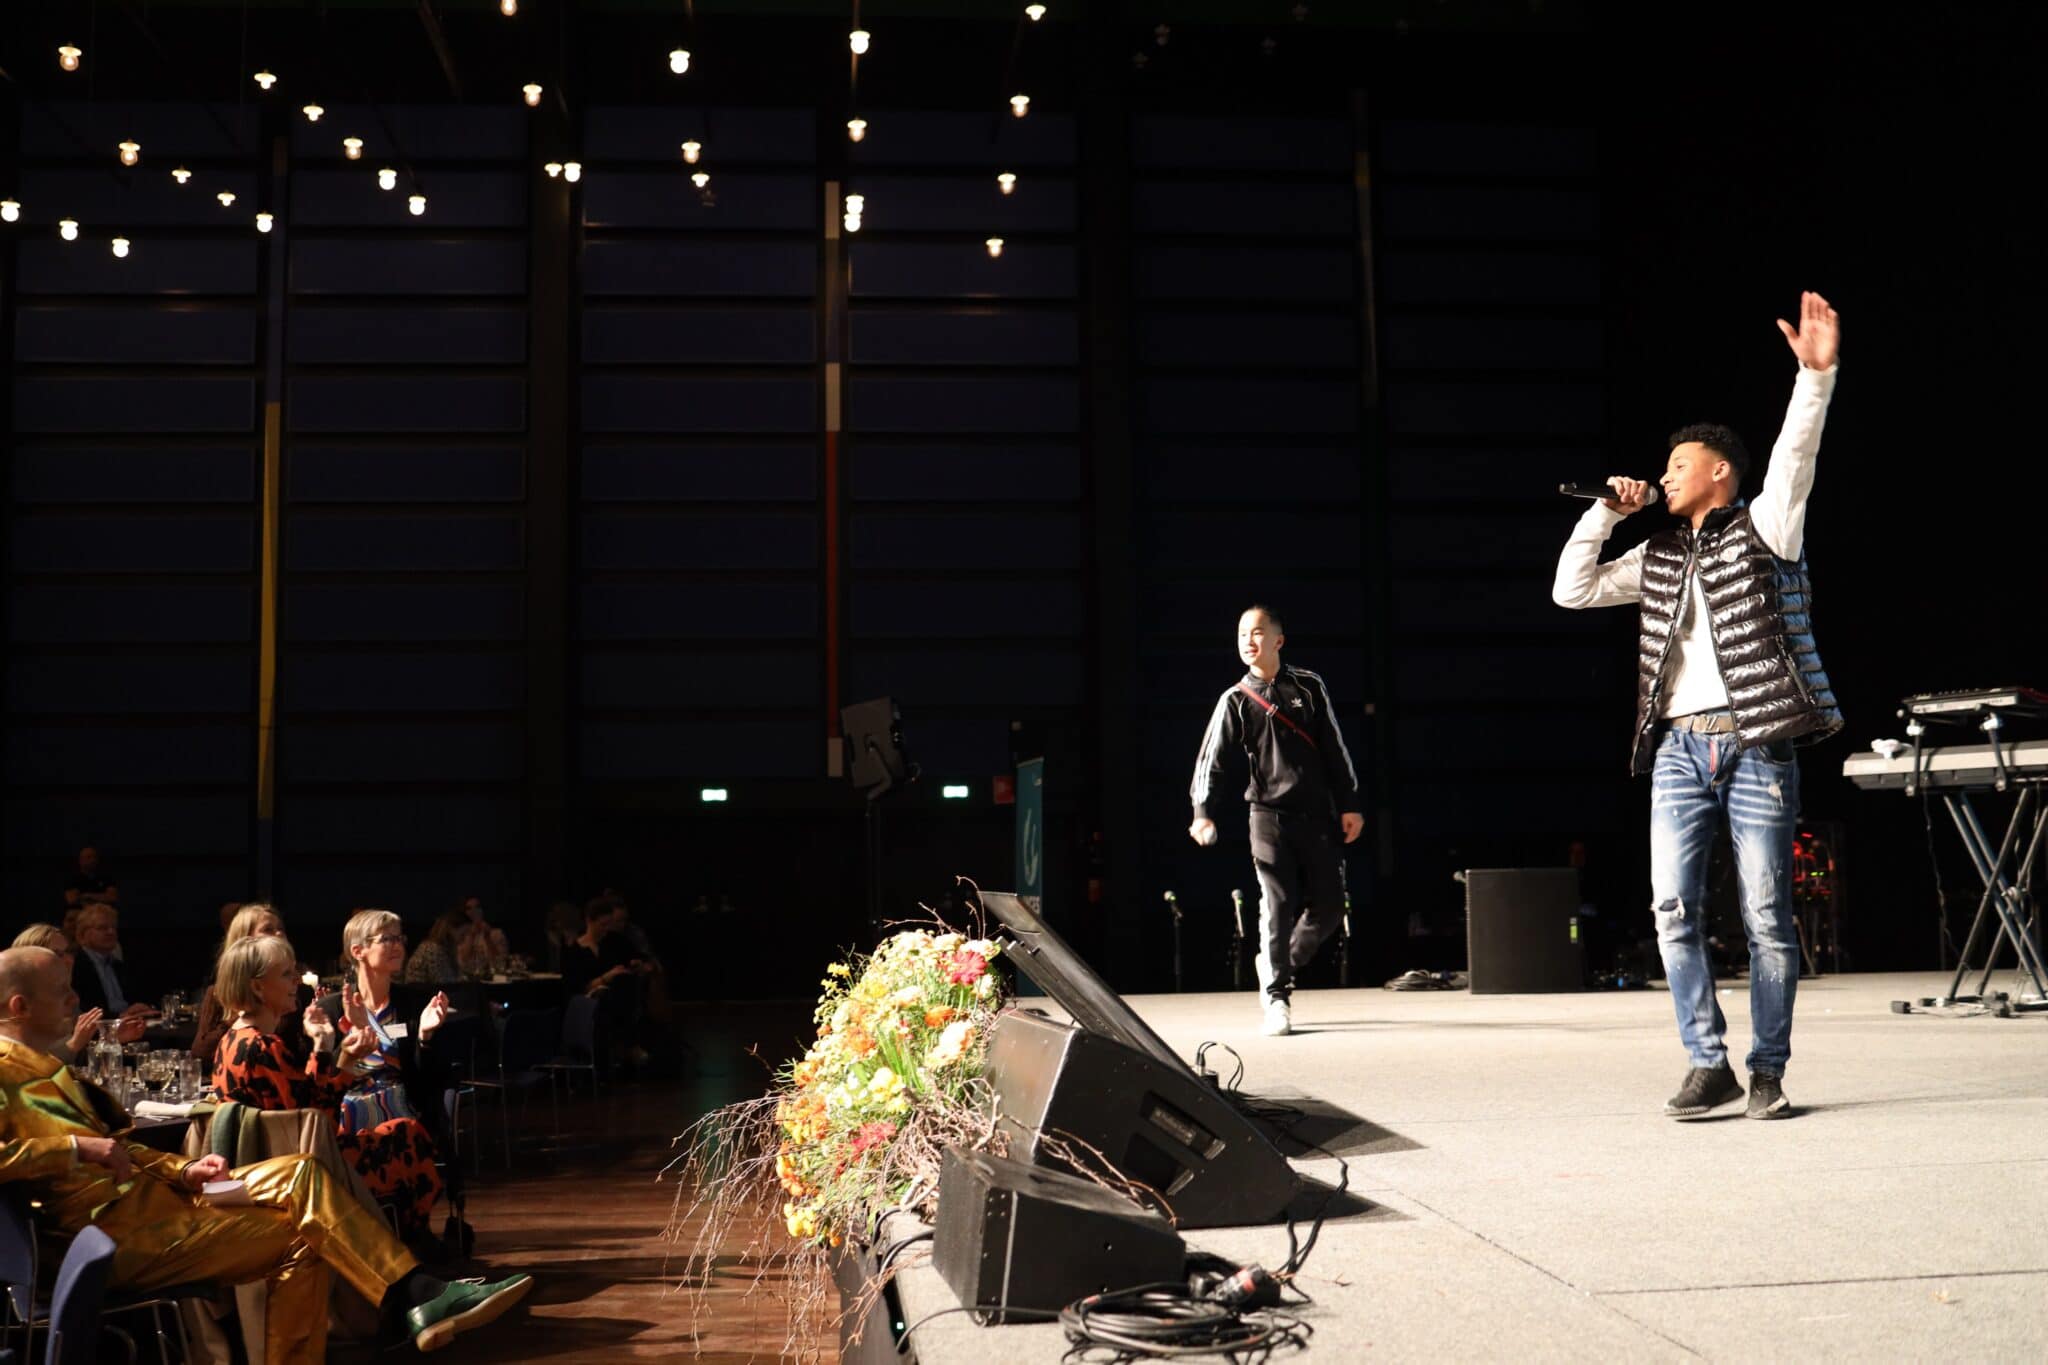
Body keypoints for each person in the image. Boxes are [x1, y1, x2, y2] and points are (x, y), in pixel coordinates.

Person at [1552, 291, 1843, 1121]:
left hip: (1756, 742)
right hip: (1680, 748)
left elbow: (1794, 454)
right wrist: (1606, 511)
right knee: (1672, 909)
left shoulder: (1767, 526)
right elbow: (1573, 590)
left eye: (1679, 464)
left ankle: (1767, 1071)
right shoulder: (1657, 554)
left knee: (1766, 915)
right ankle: (1706, 1062)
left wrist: (1814, 379)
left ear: (1719, 471)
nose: (1667, 474)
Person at [0, 945, 530, 1361]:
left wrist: (185, 1167)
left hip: (155, 1206)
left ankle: (416, 1292)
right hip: (111, 1239)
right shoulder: (5, 1072)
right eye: (63, 990)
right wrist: (74, 1146)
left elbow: (116, 1149)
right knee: (307, 1236)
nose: (76, 999)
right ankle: (415, 1294)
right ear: (19, 1006)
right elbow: (66, 1153)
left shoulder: (46, 1066)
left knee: (302, 1173)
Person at [1189, 605, 1364, 1036]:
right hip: (1267, 816)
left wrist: (1350, 804)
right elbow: (1211, 760)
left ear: (1278, 640)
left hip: (1317, 814)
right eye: (1241, 634)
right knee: (1277, 903)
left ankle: (1276, 963)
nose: (1248, 641)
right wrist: (1202, 813)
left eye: (1257, 632)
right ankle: (1277, 997)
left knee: (1330, 907)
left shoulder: (1309, 685)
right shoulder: (1235, 699)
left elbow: (1335, 748)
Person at [212, 935, 446, 1249]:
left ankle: (403, 1245)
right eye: (286, 974)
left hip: (275, 1163)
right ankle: (406, 1247)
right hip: (303, 1171)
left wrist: (324, 1046)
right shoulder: (264, 1047)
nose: (296, 981)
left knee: (399, 1131)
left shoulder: (231, 1041)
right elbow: (317, 1123)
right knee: (408, 1134)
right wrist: (343, 1061)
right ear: (257, 987)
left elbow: (304, 1105)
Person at [320, 909, 469, 1246]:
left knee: (403, 1129)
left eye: (399, 937)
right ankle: (369, 1237)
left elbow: (430, 1077)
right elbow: (324, 1074)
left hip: (403, 1105)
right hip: (346, 1108)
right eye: (386, 939)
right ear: (358, 951)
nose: (397, 945)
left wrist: (425, 1038)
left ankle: (405, 1233)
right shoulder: (333, 1008)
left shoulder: (412, 1004)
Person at [193, 903, 307, 1075]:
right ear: (246, 941)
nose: (279, 934)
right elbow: (200, 1055)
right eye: (268, 929)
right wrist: (246, 1011)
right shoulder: (219, 995)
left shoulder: (297, 991)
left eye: (281, 929)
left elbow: (301, 1058)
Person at [9, 923, 144, 1062]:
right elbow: (24, 1064)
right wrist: (74, 1045)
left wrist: (110, 1039)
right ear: (31, 958)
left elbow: (74, 1057)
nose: (69, 960)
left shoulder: (65, 993)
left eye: (69, 952)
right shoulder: (21, 1000)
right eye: (57, 954)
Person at [69, 903, 154, 1024]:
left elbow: (134, 999)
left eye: (113, 927)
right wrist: (120, 1016)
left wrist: (140, 1008)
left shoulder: (118, 965)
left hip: (129, 1023)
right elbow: (84, 1011)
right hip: (101, 1029)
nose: (111, 932)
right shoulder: (75, 966)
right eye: (102, 928)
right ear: (83, 934)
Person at [403, 909, 467, 986]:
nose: (465, 937)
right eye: (463, 933)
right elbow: (444, 983)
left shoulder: (443, 949)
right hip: (419, 992)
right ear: (451, 929)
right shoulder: (433, 950)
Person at [454, 896, 510, 977]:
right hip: (467, 979)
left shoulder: (496, 934)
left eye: (477, 907)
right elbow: (462, 963)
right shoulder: (460, 935)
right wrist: (471, 936)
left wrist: (488, 938)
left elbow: (501, 962)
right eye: (469, 908)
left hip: (493, 978)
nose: (474, 911)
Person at [63, 845, 118, 910]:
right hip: (79, 912)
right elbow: (72, 900)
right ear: (80, 860)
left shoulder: (106, 878)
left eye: (94, 857)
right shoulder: (73, 879)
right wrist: (102, 896)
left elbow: (112, 897)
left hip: (102, 911)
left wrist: (87, 896)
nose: (92, 860)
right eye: (89, 857)